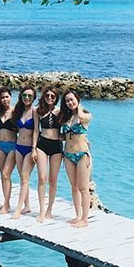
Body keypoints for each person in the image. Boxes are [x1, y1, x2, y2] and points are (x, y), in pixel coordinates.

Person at [59, 89, 93, 228]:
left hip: (82, 155)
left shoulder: (86, 115)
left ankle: (85, 219)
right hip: (68, 154)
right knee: (74, 186)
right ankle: (78, 215)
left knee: (83, 188)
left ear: (77, 99)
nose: (70, 102)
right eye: (67, 100)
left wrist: (78, 106)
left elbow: (81, 116)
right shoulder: (65, 117)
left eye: (72, 99)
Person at [34, 85, 62, 222]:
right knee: (42, 177)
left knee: (53, 180)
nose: (50, 98)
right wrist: (33, 148)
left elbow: (73, 122)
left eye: (53, 96)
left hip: (56, 146)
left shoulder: (61, 111)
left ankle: (50, 209)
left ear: (56, 98)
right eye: (47, 95)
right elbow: (35, 130)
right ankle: (41, 210)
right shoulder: (38, 111)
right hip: (42, 145)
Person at [11, 85, 37, 219]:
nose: (27, 98)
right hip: (18, 147)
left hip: (29, 149)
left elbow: (36, 131)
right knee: (22, 178)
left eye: (30, 96)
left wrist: (34, 149)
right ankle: (27, 206)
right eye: (24, 95)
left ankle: (18, 209)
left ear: (34, 98)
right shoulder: (18, 111)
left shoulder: (35, 111)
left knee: (25, 177)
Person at [0, 86, 17, 213]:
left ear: (11, 97)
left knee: (6, 174)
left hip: (13, 146)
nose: (5, 99)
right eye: (2, 97)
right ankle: (6, 202)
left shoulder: (15, 112)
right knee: (3, 175)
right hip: (0, 145)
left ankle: (6, 204)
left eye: (7, 97)